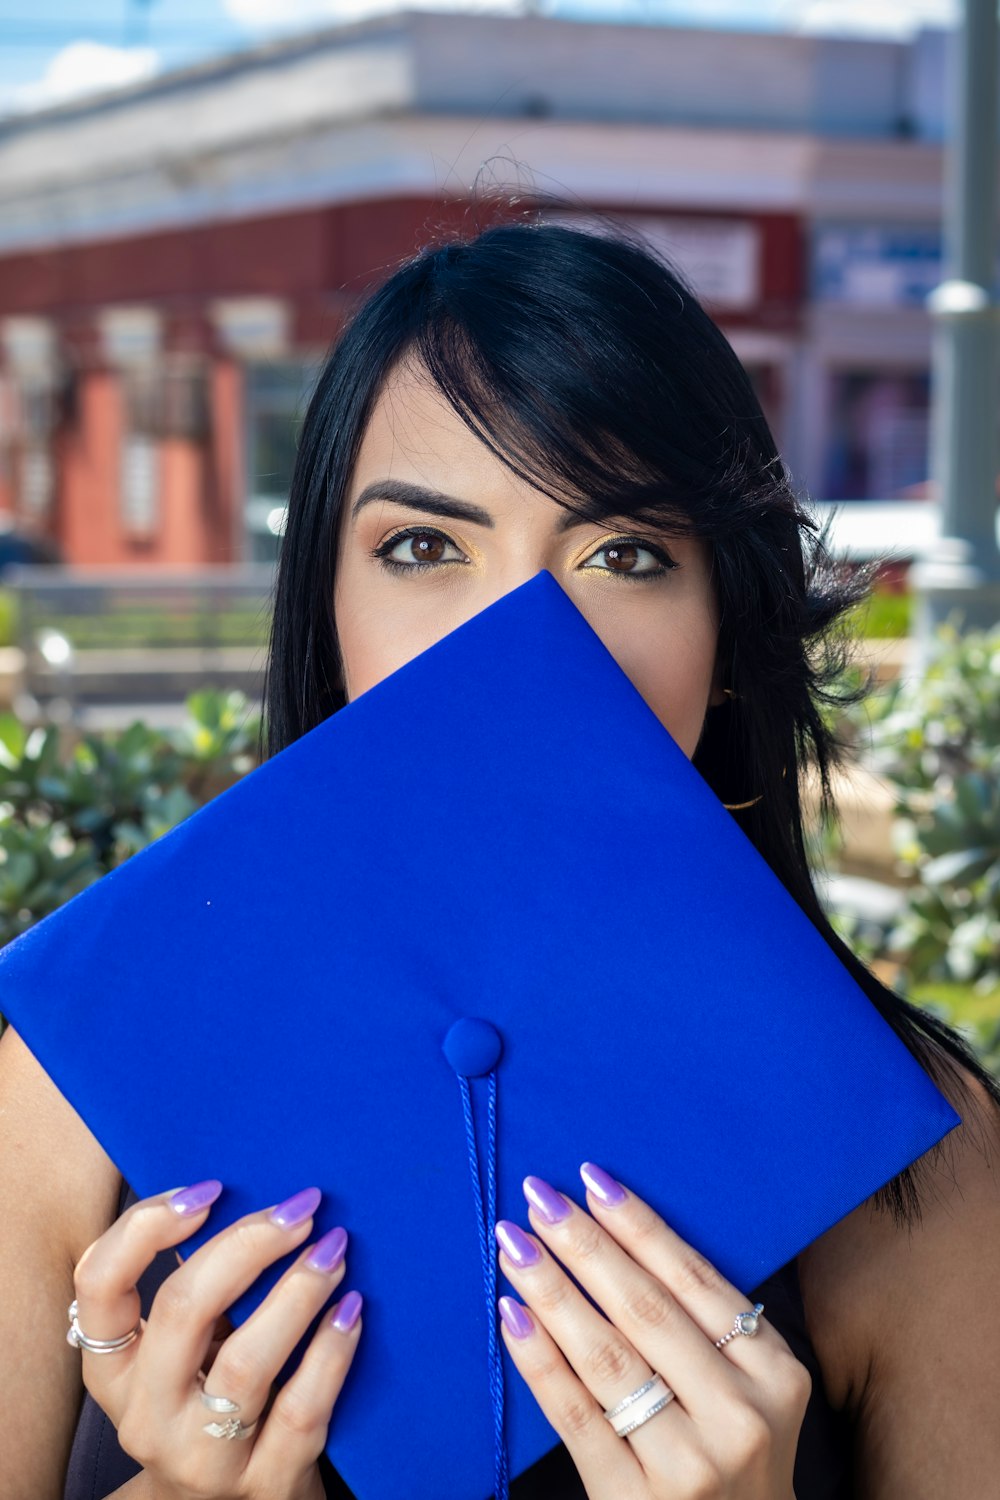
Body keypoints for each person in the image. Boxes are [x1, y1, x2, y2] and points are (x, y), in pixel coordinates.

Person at [1, 213, 998, 1500]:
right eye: (423, 547)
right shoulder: (62, 1095)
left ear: (725, 629)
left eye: (626, 556)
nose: (522, 636)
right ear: (326, 609)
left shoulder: (929, 1169)